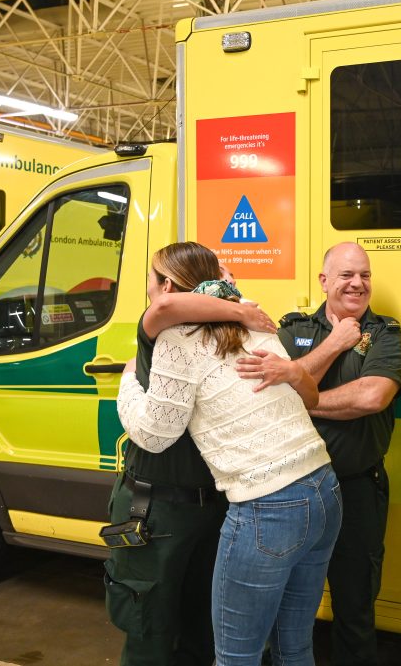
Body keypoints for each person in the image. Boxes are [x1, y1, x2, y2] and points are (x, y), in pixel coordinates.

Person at [116, 241, 342, 666]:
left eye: (151, 279)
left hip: (268, 504)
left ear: (165, 285)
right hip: (324, 488)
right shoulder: (255, 321)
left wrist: (127, 385)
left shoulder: (176, 337)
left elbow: (155, 434)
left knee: (237, 657)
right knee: (295, 647)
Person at [103, 241, 275, 666]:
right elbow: (165, 311)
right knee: (162, 631)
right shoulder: (199, 330)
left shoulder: (197, 333)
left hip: (189, 509)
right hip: (168, 509)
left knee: (188, 631)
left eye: (150, 278)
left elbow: (162, 309)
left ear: (164, 284)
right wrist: (236, 305)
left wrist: (232, 304)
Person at [273, 242, 401, 666]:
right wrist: (334, 343)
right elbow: (271, 390)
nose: (357, 283)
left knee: (355, 608)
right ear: (324, 281)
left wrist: (299, 396)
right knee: (286, 605)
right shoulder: (291, 330)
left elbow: (371, 397)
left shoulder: (386, 334)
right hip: (290, 490)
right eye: (347, 275)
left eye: (365, 275)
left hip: (356, 489)